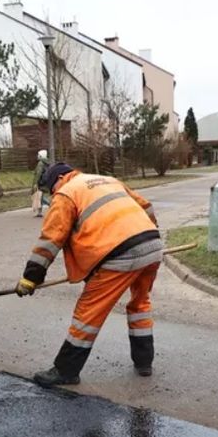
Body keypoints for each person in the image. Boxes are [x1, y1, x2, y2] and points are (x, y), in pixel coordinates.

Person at [15, 163, 163, 386]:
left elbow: (50, 239)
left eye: (50, 189)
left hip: (120, 255)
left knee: (88, 314)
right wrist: (146, 238)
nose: (51, 194)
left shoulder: (65, 193)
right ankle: (144, 363)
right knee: (140, 303)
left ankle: (66, 370)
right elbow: (147, 207)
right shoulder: (108, 180)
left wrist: (31, 277)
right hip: (152, 244)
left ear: (59, 179)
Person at [30, 149, 49, 217]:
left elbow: (38, 173)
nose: (37, 156)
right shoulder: (46, 163)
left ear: (41, 156)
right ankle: (39, 212)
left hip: (40, 182)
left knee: (40, 197)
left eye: (38, 155)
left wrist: (35, 183)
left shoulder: (40, 163)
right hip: (44, 182)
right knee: (40, 196)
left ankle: (52, 205)